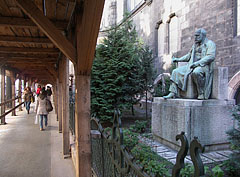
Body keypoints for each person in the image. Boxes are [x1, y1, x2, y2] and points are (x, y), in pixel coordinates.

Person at [163, 28, 216, 100]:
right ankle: (173, 92)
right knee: (175, 71)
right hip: (191, 65)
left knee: (196, 72)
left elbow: (211, 56)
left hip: (204, 66)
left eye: (197, 36)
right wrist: (178, 59)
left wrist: (197, 63)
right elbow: (188, 56)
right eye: (195, 36)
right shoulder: (195, 45)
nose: (195, 38)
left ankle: (201, 93)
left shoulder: (210, 44)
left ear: (203, 35)